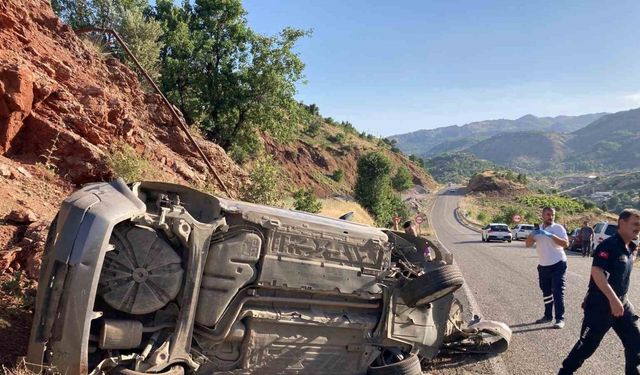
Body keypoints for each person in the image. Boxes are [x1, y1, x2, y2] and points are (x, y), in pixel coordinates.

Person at [559, 209, 640, 375]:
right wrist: (612, 299)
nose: (638, 228)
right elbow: (597, 272)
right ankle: (565, 372)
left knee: (635, 342)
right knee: (587, 346)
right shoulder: (608, 245)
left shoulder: (632, 247)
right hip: (601, 305)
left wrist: (619, 300)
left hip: (621, 302)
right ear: (622, 223)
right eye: (635, 224)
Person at [525, 207, 570, 329]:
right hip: (543, 265)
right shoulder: (538, 229)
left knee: (557, 291)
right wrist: (532, 234)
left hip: (558, 263)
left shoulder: (558, 228)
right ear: (543, 215)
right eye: (548, 214)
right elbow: (527, 244)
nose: (551, 217)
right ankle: (547, 316)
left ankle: (560, 319)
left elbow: (566, 244)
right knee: (546, 292)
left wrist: (550, 235)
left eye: (553, 215)